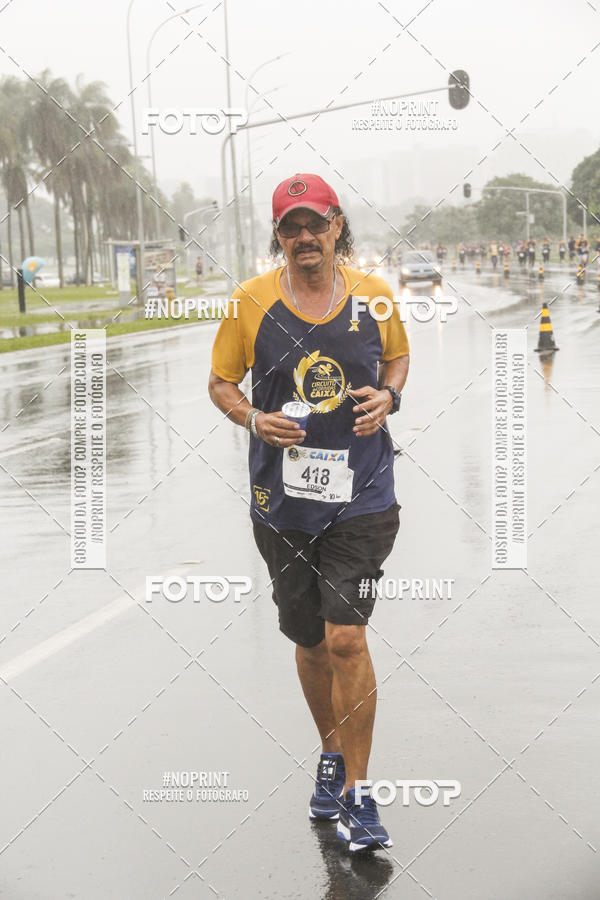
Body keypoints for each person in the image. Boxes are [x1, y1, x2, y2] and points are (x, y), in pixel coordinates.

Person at [209, 173, 410, 853]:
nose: (304, 238)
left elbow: (399, 358)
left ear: (336, 228)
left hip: (364, 493)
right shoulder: (250, 304)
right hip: (282, 501)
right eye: (290, 228)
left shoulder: (375, 297)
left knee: (346, 637)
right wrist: (253, 418)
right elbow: (220, 383)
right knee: (310, 640)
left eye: (315, 224)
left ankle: (359, 791)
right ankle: (329, 754)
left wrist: (390, 396)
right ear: (279, 237)